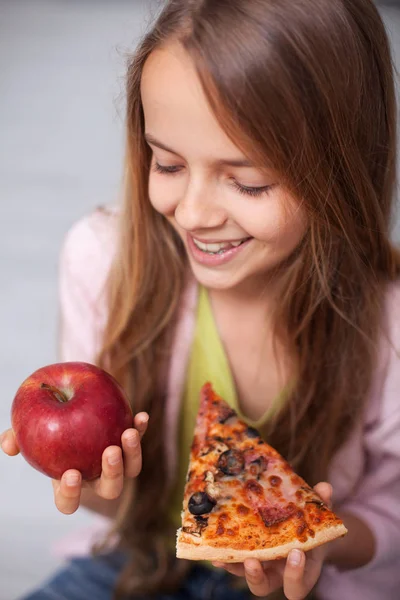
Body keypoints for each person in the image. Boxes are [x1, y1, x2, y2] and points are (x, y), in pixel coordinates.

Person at [2, 0, 400, 598]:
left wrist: (314, 539)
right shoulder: (101, 260)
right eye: (167, 164)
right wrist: (91, 487)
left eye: (248, 181)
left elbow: (393, 509)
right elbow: (118, 511)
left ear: (343, 170)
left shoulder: (388, 318)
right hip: (137, 559)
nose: (192, 213)